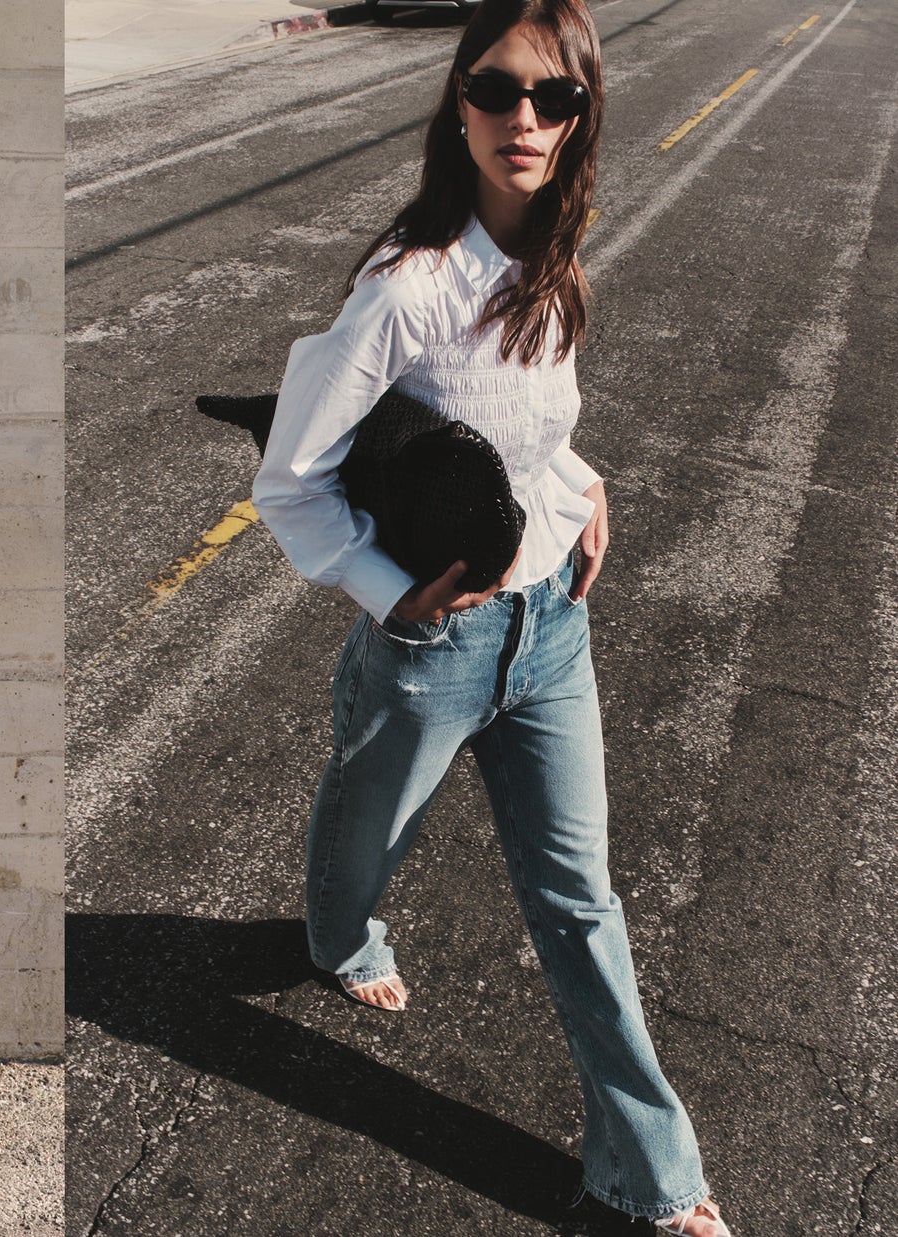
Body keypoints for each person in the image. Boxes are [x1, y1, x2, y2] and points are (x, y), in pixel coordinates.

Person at [252, 2, 725, 1232]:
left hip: (551, 630)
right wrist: (387, 596)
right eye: (497, 89)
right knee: (365, 835)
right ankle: (339, 941)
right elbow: (289, 480)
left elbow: (528, 424)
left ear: (579, 118)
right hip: (434, 643)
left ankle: (652, 1178)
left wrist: (581, 484)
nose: (523, 117)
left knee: (579, 900)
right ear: (457, 103)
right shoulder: (405, 288)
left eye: (552, 97)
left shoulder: (553, 262)